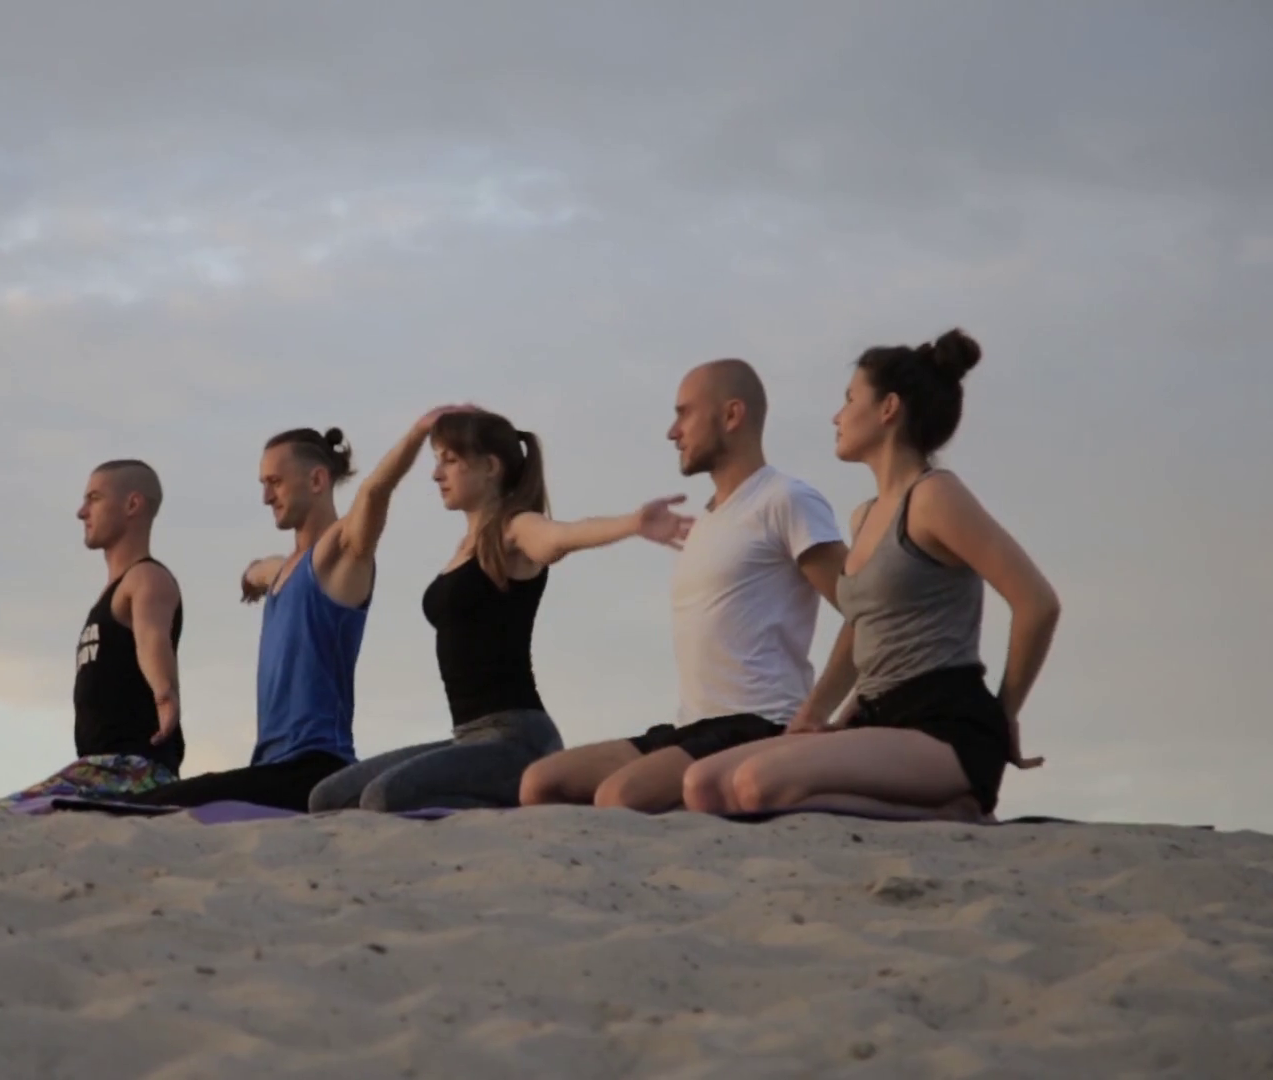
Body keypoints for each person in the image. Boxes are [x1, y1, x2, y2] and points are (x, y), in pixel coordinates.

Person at [683, 329, 1059, 821]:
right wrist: (814, 715)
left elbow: (1037, 604)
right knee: (703, 785)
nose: (837, 416)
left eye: (849, 399)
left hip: (944, 727)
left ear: (888, 409)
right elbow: (860, 627)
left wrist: (1005, 712)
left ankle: (951, 809)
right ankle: (929, 807)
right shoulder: (863, 518)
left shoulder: (935, 496)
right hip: (878, 718)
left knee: (755, 786)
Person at [307, 405, 690, 814]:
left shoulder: (515, 530)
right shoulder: (462, 548)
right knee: (326, 798)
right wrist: (418, 430)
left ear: (490, 466)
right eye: (438, 461)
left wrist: (633, 523)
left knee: (382, 798)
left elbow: (560, 537)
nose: (438, 474)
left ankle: (526, 803)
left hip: (518, 739)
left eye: (450, 461)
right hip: (468, 738)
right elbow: (374, 491)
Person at [518, 359, 850, 813]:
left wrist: (817, 713)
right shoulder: (709, 520)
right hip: (692, 728)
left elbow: (865, 611)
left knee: (620, 797)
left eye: (684, 414)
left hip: (761, 723)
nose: (672, 432)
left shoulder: (786, 500)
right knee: (541, 782)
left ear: (732, 416)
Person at [127, 427, 380, 812]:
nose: (266, 497)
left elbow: (370, 504)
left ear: (317, 479)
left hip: (314, 766)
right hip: (271, 766)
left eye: (275, 482)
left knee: (163, 804)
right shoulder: (287, 572)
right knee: (159, 801)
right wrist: (256, 574)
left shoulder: (341, 561)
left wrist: (419, 431)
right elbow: (268, 570)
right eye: (264, 484)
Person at [0, 461, 185, 813]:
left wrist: (164, 691)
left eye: (94, 499)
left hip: (133, 771)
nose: (82, 512)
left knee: (1, 815)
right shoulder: (107, 595)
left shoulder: (146, 579)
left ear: (132, 505)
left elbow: (151, 638)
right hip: (97, 769)